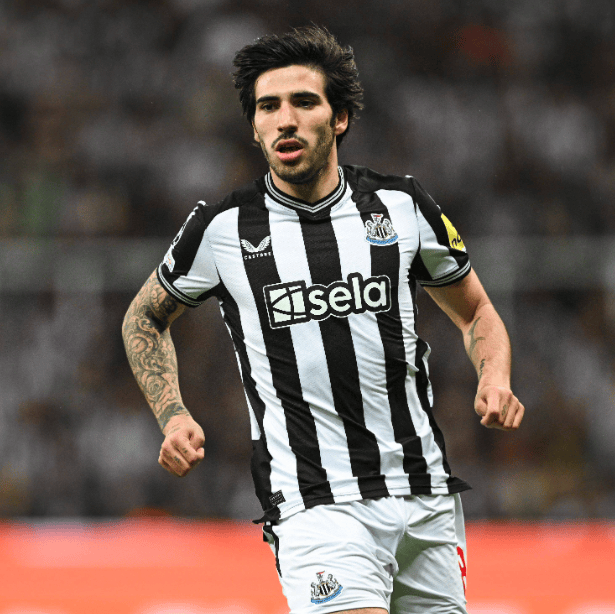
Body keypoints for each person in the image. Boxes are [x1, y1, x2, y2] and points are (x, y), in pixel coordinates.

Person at [122, 25, 524, 614]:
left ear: (339, 118)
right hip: (315, 502)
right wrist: (173, 413)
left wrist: (495, 375)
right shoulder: (222, 228)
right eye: (268, 107)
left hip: (425, 494)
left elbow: (477, 311)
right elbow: (143, 318)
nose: (284, 120)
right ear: (254, 126)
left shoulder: (401, 206)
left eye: (303, 102)